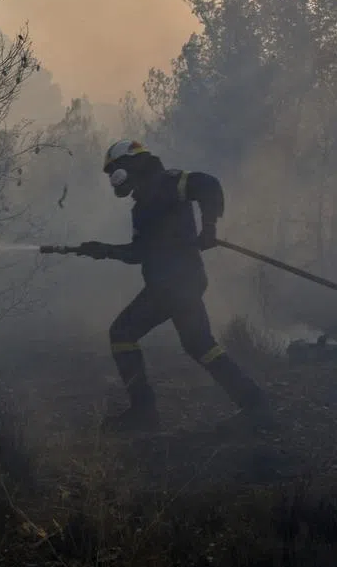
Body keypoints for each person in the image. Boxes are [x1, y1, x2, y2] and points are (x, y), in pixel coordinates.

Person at [74, 139, 269, 432]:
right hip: (180, 282)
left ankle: (143, 412)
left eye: (113, 171)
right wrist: (103, 250)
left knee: (123, 333)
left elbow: (208, 185)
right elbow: (139, 253)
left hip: (173, 284)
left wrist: (210, 228)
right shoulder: (141, 207)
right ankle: (254, 403)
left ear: (129, 164)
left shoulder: (168, 182)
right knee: (200, 345)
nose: (114, 179)